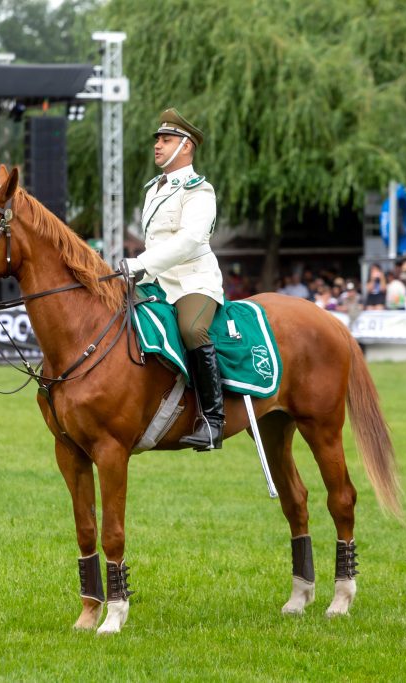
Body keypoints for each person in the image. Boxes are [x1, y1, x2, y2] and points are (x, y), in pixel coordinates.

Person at [122, 108, 224, 451]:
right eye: (157, 140)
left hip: (193, 282)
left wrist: (139, 264)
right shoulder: (154, 188)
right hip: (156, 280)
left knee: (193, 330)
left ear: (187, 146)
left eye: (166, 140)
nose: (158, 146)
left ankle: (213, 420)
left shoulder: (200, 190)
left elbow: (189, 240)